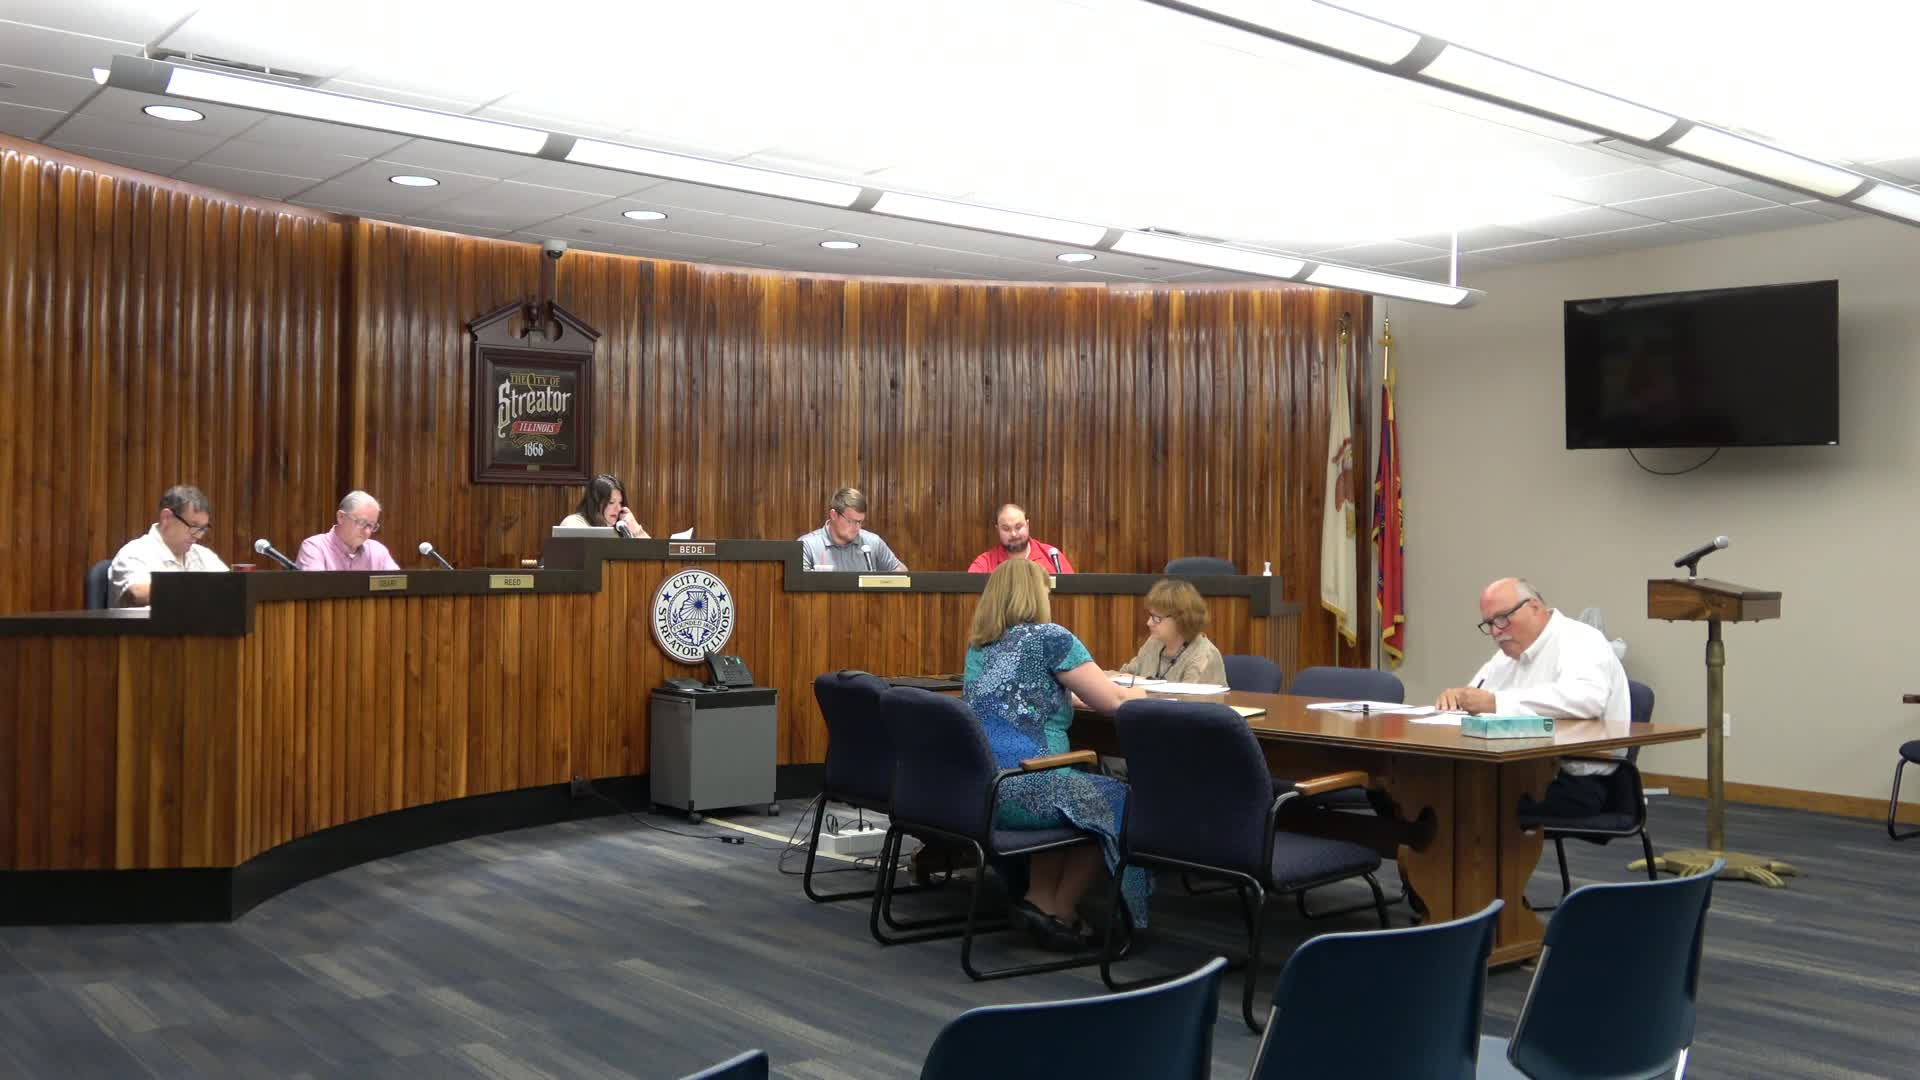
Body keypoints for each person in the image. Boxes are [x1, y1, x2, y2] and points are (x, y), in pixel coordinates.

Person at [963, 559, 1148, 948]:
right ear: (1035, 594)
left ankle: (1039, 898)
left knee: (1073, 790)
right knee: (1118, 800)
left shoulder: (979, 646)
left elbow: (1021, 695)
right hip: (1032, 784)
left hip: (985, 790)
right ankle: (1060, 911)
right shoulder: (1050, 638)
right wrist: (1142, 693)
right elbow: (1114, 702)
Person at [1435, 577, 1631, 818]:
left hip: (1575, 780)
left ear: (1534, 607)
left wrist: (1496, 702)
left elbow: (1587, 699)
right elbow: (1477, 697)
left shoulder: (1580, 639)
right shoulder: (1505, 656)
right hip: (1515, 770)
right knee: (1437, 789)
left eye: (1502, 618)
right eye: (1490, 623)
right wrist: (1458, 698)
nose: (1496, 631)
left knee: (1461, 802)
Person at [107, 484, 229, 607]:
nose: (198, 536)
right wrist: (199, 588)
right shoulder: (134, 553)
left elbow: (231, 588)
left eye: (203, 528)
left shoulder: (204, 555)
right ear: (166, 518)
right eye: (193, 526)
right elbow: (136, 594)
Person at [1113, 579, 1228, 685]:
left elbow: (1188, 699)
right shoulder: (1154, 642)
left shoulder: (1204, 656)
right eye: (1151, 615)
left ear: (1181, 619)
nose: (1149, 623)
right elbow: (1125, 675)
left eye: (1157, 618)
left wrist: (1143, 684)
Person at [797, 486, 905, 571]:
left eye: (860, 522)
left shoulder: (872, 543)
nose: (857, 527)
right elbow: (798, 586)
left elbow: (901, 572)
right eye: (851, 521)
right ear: (834, 515)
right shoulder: (807, 545)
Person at [297, 491, 401, 571]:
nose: (367, 532)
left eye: (371, 525)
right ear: (341, 517)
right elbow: (316, 589)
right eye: (361, 522)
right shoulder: (314, 548)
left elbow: (399, 586)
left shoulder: (378, 551)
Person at [967, 503, 1075, 574]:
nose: (1014, 534)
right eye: (1006, 529)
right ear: (997, 529)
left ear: (1027, 525)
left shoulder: (1052, 557)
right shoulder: (985, 563)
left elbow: (1071, 595)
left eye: (1018, 527)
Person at [560, 473, 649, 537]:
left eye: (620, 503)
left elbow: (651, 554)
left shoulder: (621, 527)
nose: (618, 508)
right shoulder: (574, 523)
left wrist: (636, 530)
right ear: (595, 503)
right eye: (611, 502)